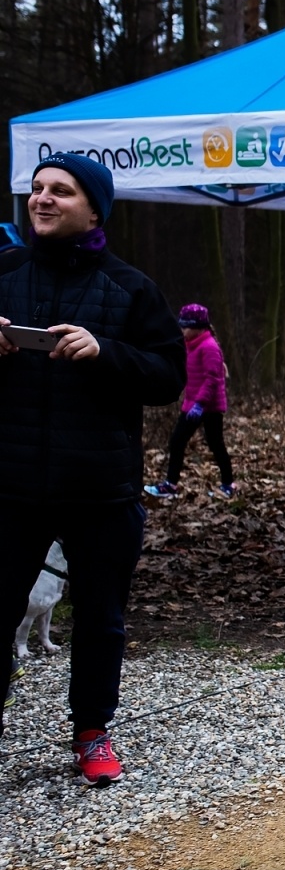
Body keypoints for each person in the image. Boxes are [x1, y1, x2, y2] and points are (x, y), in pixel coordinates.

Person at [0, 153, 186, 784]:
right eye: (37, 189)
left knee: (101, 620)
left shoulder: (131, 287)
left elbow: (169, 376)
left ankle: (91, 731)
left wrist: (105, 350)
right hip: (11, 485)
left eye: (61, 191)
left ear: (95, 211)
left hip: (101, 488)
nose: (43, 199)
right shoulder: (5, 272)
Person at [144, 303, 234, 499]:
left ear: (198, 327)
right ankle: (171, 485)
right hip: (192, 403)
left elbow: (212, 379)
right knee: (178, 441)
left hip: (208, 406)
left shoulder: (209, 347)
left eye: (186, 326)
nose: (182, 330)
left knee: (215, 444)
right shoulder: (190, 345)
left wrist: (200, 404)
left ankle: (228, 485)